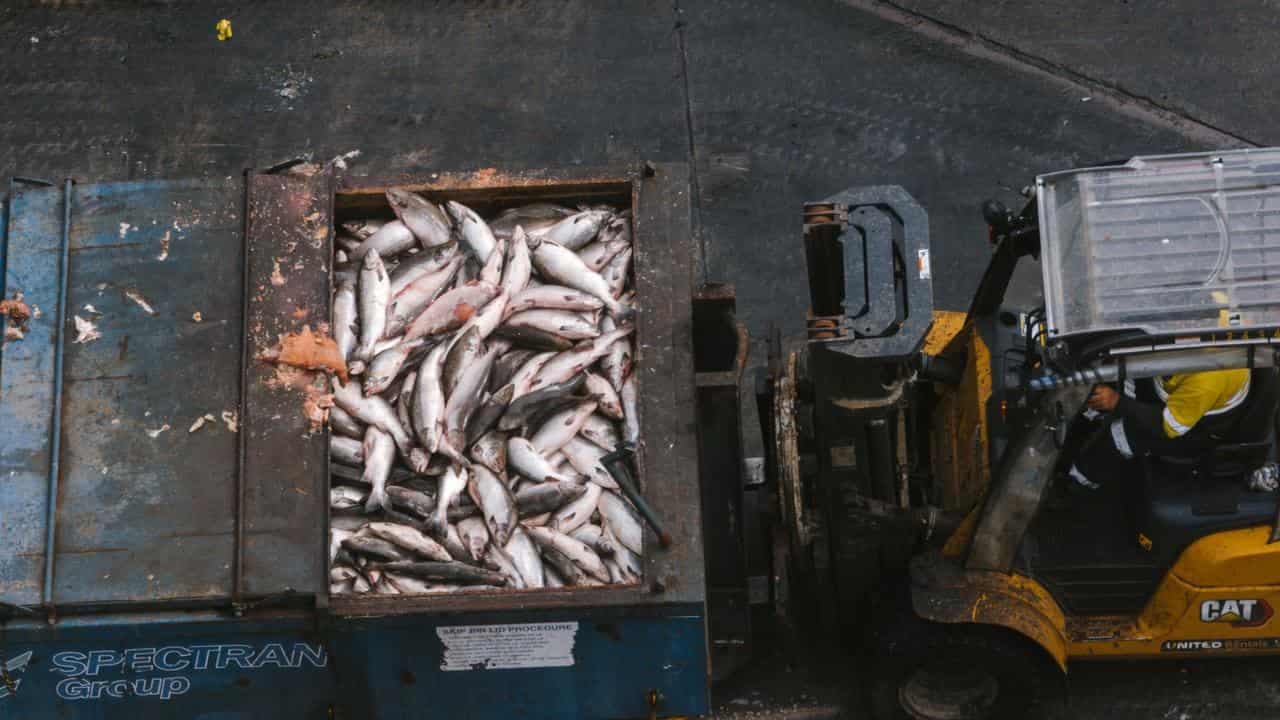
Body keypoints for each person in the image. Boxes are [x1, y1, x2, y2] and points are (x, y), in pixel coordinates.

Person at [1065, 368, 1251, 489]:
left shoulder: (1208, 380)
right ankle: (1096, 414)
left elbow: (1168, 426)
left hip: (1192, 430)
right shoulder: (1193, 330)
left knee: (1121, 434)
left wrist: (1117, 402)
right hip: (1172, 391)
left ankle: (1079, 480)